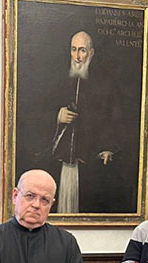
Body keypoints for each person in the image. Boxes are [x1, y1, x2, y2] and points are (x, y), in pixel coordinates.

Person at [50, 31, 116, 213]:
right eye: (73, 50)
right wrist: (57, 116)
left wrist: (107, 147)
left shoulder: (104, 84)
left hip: (88, 161)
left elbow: (110, 119)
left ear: (91, 53)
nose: (77, 56)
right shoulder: (58, 80)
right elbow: (36, 113)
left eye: (82, 50)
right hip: (59, 161)